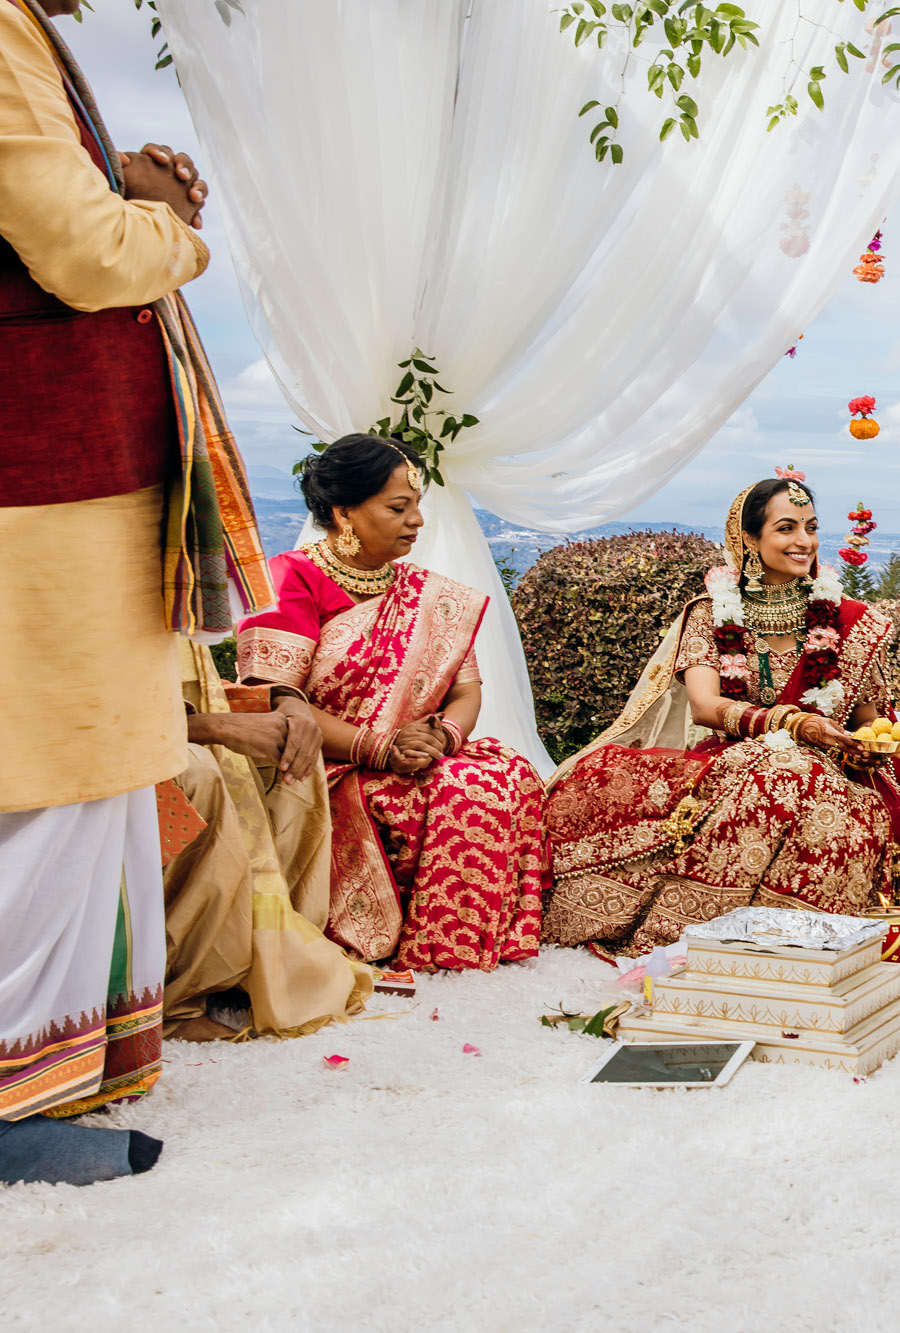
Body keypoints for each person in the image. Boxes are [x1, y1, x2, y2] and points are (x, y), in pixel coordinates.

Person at [1, 0, 270, 1185]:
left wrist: (114, 177)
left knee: (92, 766)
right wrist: (161, 224)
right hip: (41, 480)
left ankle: (61, 1075)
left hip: (63, 482)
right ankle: (14, 1102)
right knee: (51, 772)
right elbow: (82, 254)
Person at [540, 473, 900, 949]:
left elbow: (866, 719)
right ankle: (714, 937)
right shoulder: (711, 612)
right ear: (749, 539)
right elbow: (704, 705)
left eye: (811, 527)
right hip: (740, 761)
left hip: (839, 772)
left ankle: (814, 945)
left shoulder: (848, 619)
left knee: (832, 802)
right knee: (782, 771)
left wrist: (868, 746)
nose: (804, 541)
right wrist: (792, 723)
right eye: (786, 528)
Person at [234, 435, 548, 972]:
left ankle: (466, 942)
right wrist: (379, 748)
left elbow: (466, 690)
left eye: (416, 506)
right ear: (345, 512)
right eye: (399, 507)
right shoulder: (292, 579)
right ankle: (422, 945)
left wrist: (442, 737)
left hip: (414, 752)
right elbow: (271, 699)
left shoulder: (426, 592)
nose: (417, 521)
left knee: (507, 773)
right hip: (325, 763)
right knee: (456, 788)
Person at [161, 639, 373, 1040]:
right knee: (197, 769)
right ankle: (176, 994)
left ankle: (257, 958)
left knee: (296, 747)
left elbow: (197, 683)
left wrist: (289, 702)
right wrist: (212, 727)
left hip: (177, 718)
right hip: (106, 760)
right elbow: (80, 719)